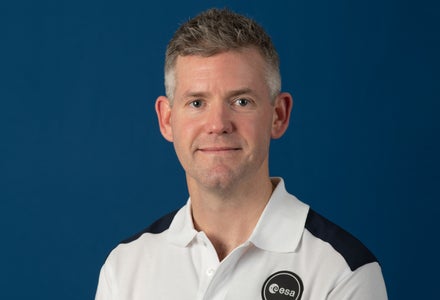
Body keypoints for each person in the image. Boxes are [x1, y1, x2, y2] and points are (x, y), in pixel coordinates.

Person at [95, 8, 387, 300]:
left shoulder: (341, 272)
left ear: (278, 115)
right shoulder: (125, 267)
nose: (218, 125)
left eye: (241, 101)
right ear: (167, 120)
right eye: (197, 103)